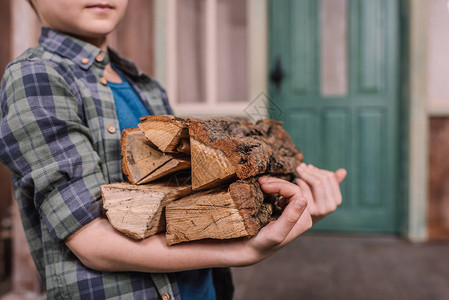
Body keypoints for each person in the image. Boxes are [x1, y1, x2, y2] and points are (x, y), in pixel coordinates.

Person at [0, 0, 347, 299]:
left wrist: (288, 210)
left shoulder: (146, 87)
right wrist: (244, 250)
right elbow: (90, 240)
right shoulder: (36, 77)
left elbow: (193, 207)